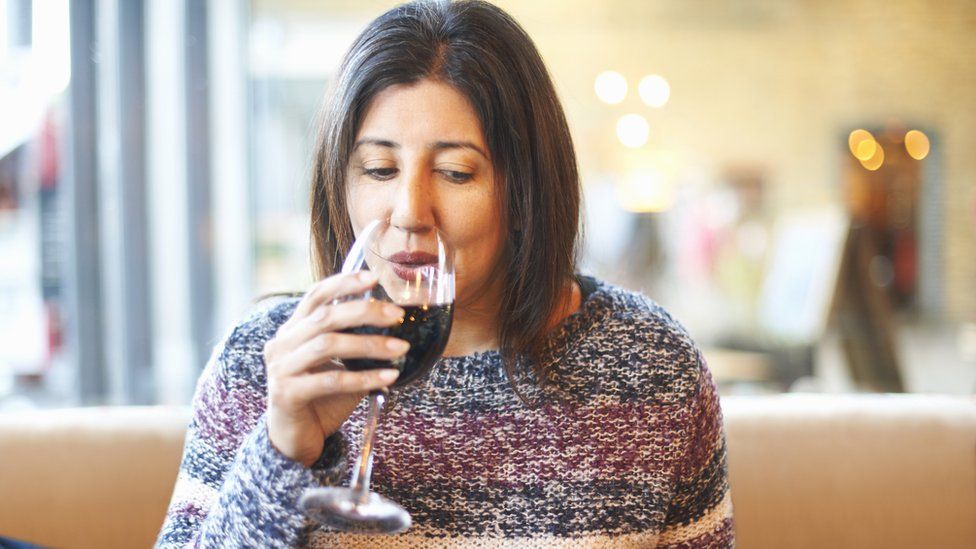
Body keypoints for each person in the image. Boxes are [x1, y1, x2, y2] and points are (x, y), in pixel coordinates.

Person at [156, 0, 735, 547]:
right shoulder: (267, 362)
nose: (409, 211)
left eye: (457, 173)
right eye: (380, 168)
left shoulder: (651, 367)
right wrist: (279, 452)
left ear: (526, 191)